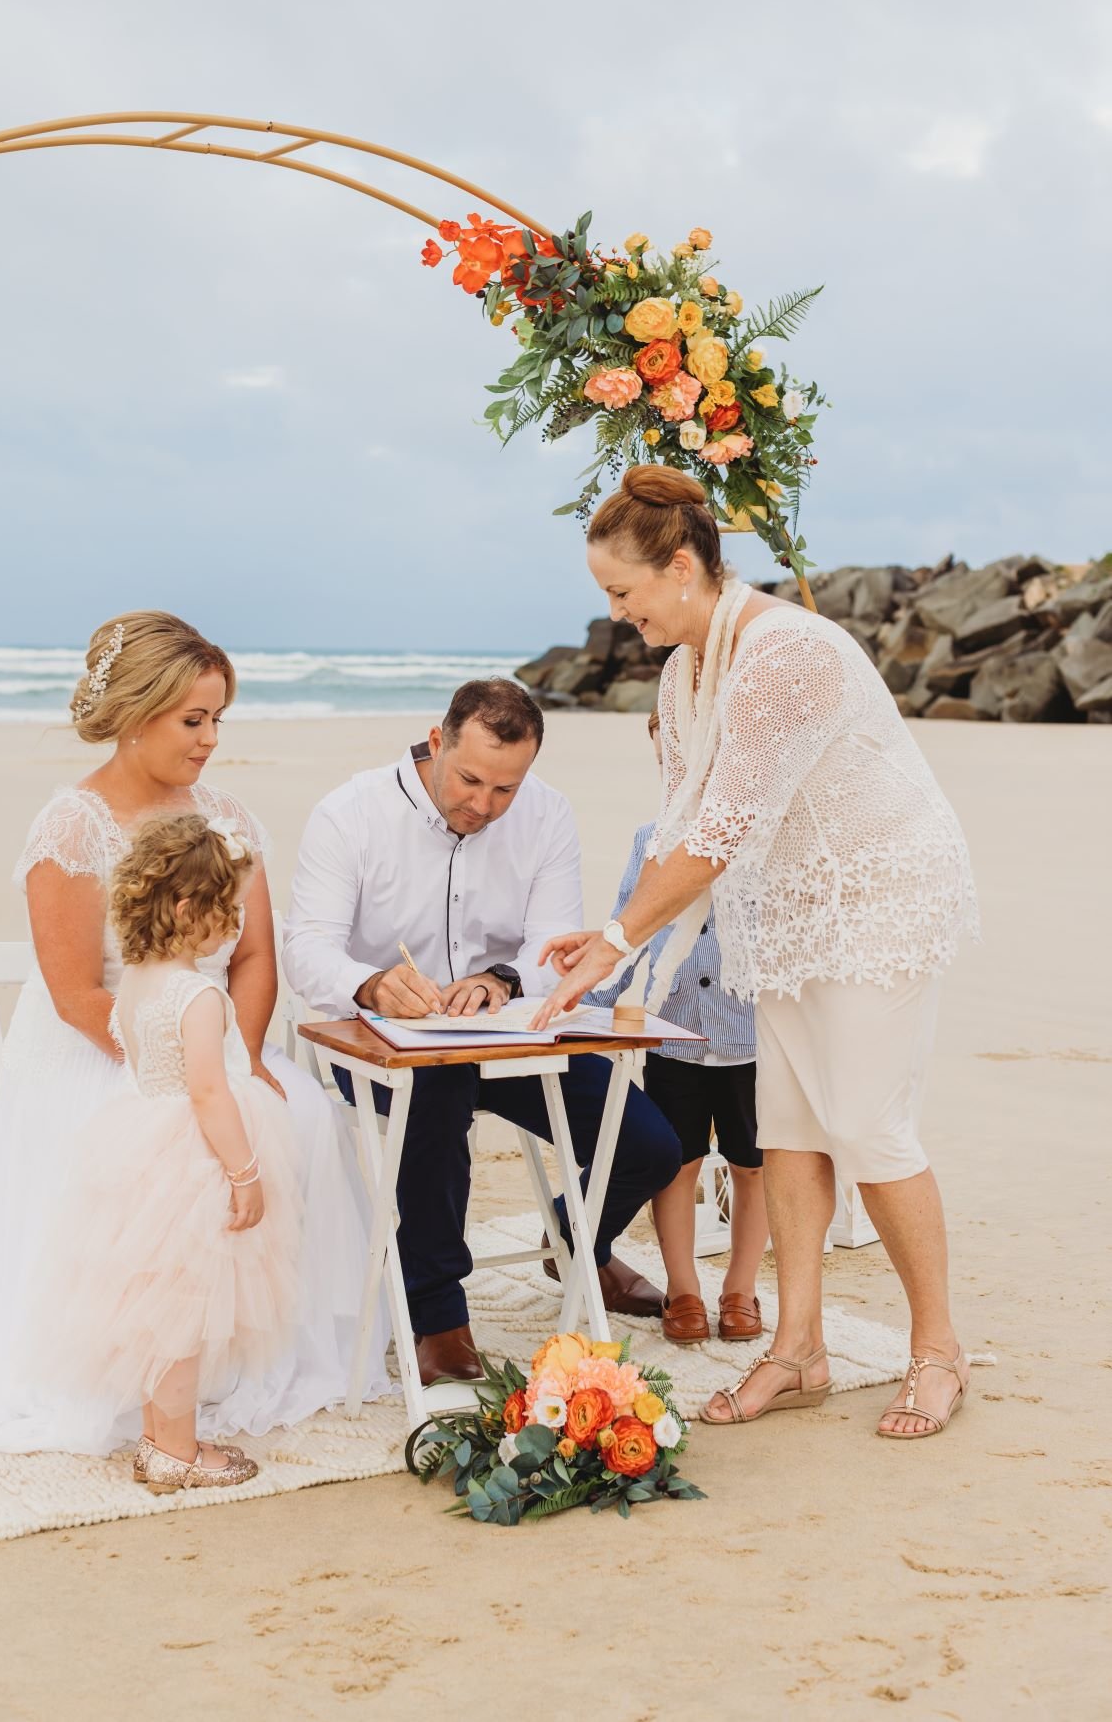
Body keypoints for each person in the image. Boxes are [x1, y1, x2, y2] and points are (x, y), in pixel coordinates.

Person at [533, 465, 979, 1440]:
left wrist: (615, 944)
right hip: (782, 907)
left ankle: (938, 1349)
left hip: (878, 894)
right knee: (789, 1127)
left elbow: (717, 836)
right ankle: (800, 1350)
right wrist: (613, 937)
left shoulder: (785, 654)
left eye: (623, 593)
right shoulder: (683, 669)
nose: (617, 615)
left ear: (683, 566)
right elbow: (677, 825)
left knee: (867, 1122)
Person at [0, 610, 387, 1467]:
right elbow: (74, 993)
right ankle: (147, 1384)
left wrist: (245, 1055)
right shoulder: (71, 827)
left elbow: (255, 956)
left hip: (210, 1035)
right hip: (113, 1040)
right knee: (167, 1152)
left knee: (303, 1122)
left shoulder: (227, 817)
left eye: (219, 718)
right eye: (193, 719)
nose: (211, 739)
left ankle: (261, 1352)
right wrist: (178, 1069)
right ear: (138, 714)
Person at [283, 677, 682, 1385]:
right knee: (437, 1098)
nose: (483, 804)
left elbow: (551, 941)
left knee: (650, 1145)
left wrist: (500, 978)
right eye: (469, 779)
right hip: (379, 1043)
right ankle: (436, 1313)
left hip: (511, 1033)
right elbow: (307, 947)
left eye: (505, 789)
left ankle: (575, 1239)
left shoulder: (547, 814)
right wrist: (372, 984)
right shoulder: (350, 814)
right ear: (437, 742)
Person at [25, 813, 301, 1493]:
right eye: (226, 907)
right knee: (184, 1313)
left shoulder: (139, 984)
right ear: (186, 908)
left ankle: (159, 1440)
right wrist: (246, 1171)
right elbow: (208, 1090)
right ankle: (177, 1451)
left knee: (158, 1309)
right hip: (195, 1161)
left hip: (140, 1148)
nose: (235, 923)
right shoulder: (197, 994)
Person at [589, 706, 767, 1345]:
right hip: (676, 1034)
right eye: (670, 759)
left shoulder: (763, 835)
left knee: (754, 1167)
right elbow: (624, 925)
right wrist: (593, 998)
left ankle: (741, 1286)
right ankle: (685, 1286)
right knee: (679, 1165)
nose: (682, 771)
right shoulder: (652, 840)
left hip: (756, 1039)